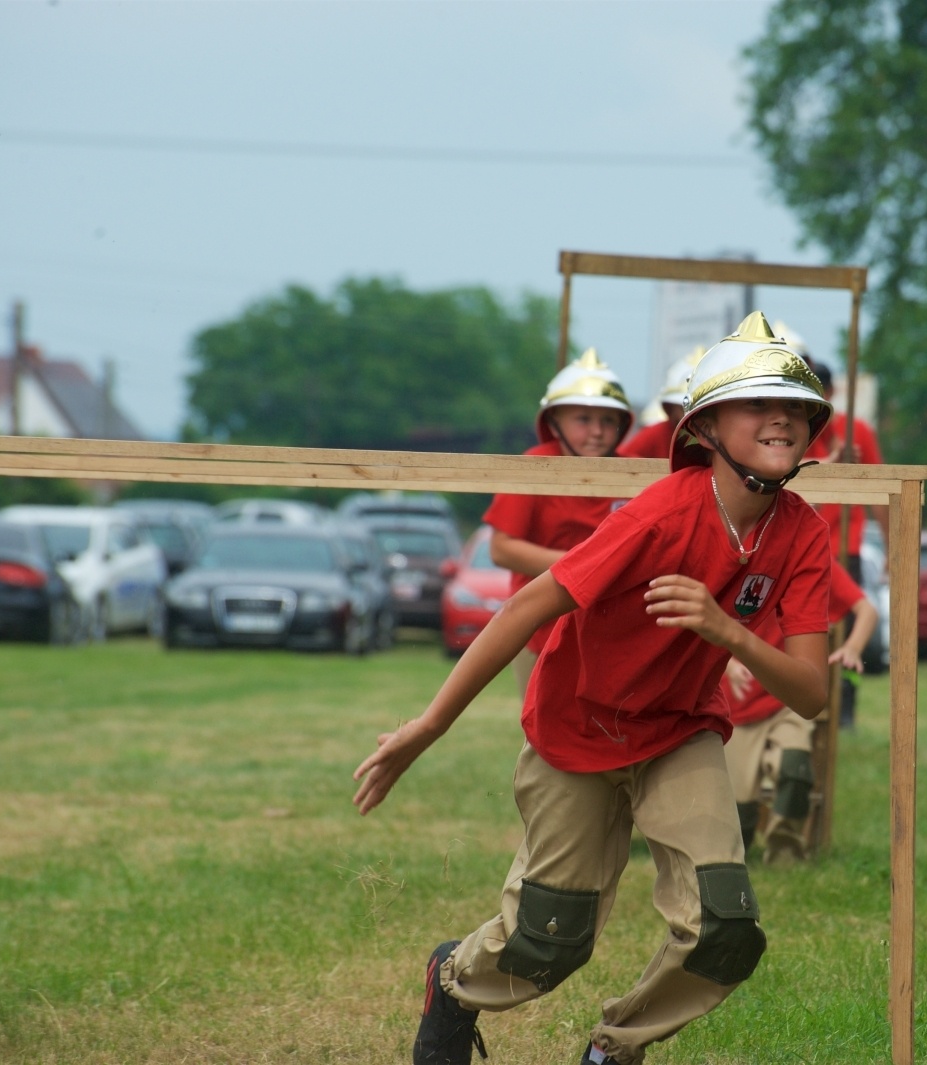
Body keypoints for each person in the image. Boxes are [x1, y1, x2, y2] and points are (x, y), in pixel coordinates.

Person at [353, 311, 835, 1065]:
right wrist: (429, 726)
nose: (781, 417)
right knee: (548, 941)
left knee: (726, 928)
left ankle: (615, 1049)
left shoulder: (804, 532)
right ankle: (452, 981)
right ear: (707, 427)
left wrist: (728, 631)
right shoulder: (658, 515)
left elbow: (810, 693)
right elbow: (525, 605)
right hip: (576, 729)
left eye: (796, 407)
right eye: (756, 402)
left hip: (678, 731)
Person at [482, 348, 631, 696]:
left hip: (614, 628)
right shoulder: (533, 466)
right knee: (544, 723)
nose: (597, 432)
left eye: (608, 421)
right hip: (539, 624)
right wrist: (585, 567)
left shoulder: (635, 472)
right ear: (554, 423)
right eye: (583, 419)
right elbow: (501, 549)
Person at [722, 556, 878, 864]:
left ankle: (786, 850)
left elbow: (866, 610)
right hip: (738, 706)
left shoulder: (809, 555)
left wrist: (852, 647)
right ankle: (739, 851)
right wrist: (727, 664)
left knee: (795, 768)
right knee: (738, 805)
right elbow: (700, 622)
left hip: (786, 700)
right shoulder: (731, 555)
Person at [801, 356, 886, 729]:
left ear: (832, 392)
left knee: (852, 631)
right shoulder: (792, 431)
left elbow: (880, 489)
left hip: (843, 547)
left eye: (819, 392)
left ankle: (846, 707)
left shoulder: (856, 432)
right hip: (800, 545)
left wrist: (891, 549)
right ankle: (808, 701)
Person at [617, 347, 705, 460]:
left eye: (704, 409)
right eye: (686, 407)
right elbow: (619, 463)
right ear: (671, 409)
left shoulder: (723, 437)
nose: (693, 414)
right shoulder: (657, 434)